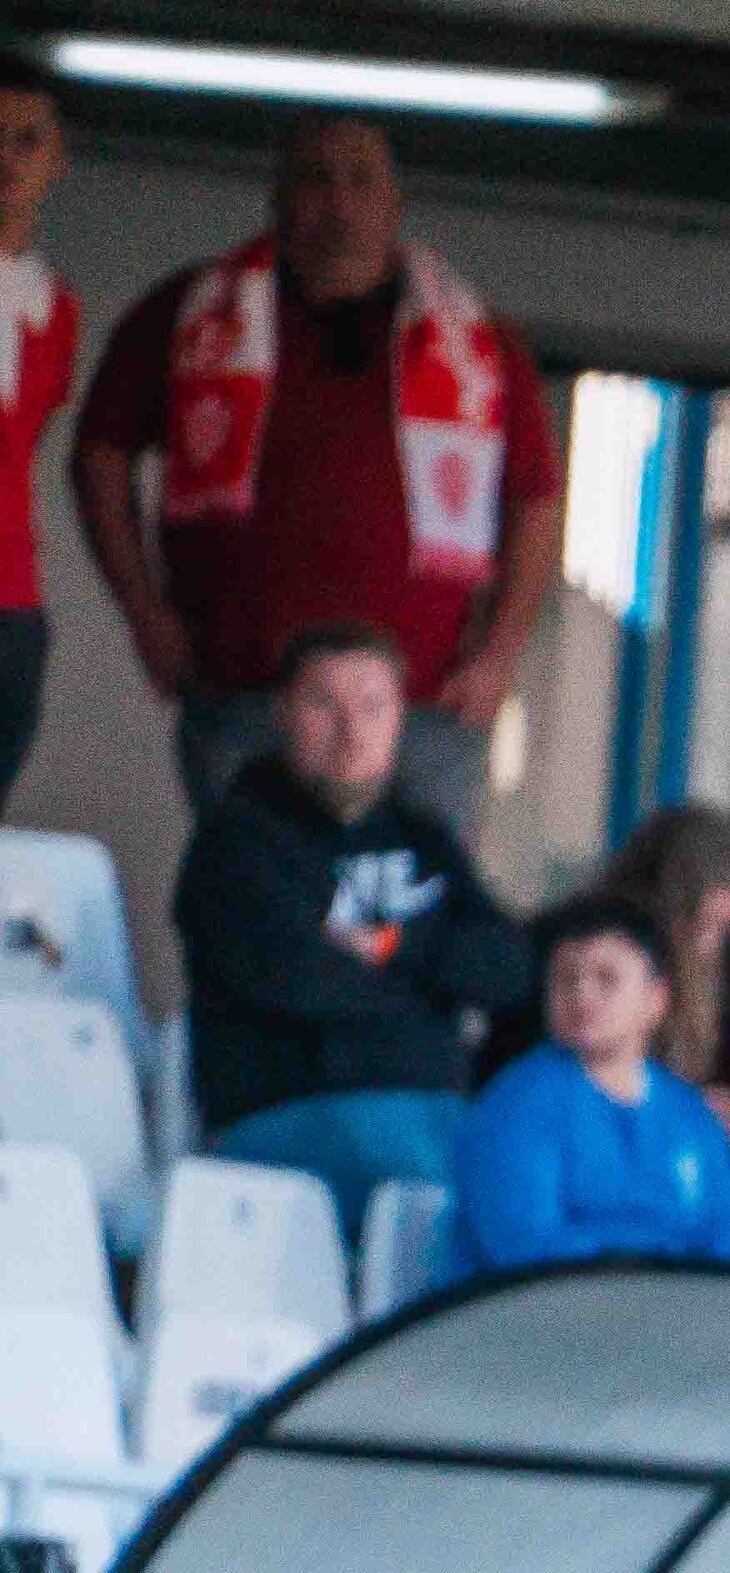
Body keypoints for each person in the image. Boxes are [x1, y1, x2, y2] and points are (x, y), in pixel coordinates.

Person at [73, 114, 555, 828]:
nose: (340, 201)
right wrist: (143, 609)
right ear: (277, 198)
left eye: (362, 180)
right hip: (244, 692)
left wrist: (501, 650)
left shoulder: (476, 342)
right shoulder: (190, 315)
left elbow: (536, 499)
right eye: (316, 178)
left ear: (396, 203)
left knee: (415, 932)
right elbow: (100, 453)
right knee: (249, 918)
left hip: (425, 707)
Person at [173, 619, 529, 1227]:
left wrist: (391, 943)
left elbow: (510, 970)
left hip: (434, 1115)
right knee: (475, 1211)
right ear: (283, 713)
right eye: (323, 704)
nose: (351, 729)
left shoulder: (425, 837)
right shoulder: (236, 842)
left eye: (373, 706)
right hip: (292, 1116)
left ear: (399, 719)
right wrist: (434, 984)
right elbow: (303, 982)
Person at [441, 895, 730, 1279]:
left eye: (606, 978)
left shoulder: (689, 1112)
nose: (581, 994)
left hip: (673, 1322)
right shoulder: (515, 1108)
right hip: (545, 1325)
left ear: (656, 998)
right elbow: (529, 1254)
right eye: (564, 978)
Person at [0, 74, 76, 811]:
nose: (7, 161)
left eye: (27, 141)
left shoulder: (55, 309)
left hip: (10, 598)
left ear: (57, 160)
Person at [599, 803, 730, 1101]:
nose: (710, 946)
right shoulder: (609, 959)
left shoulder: (696, 971)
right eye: (705, 927)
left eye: (722, 929)